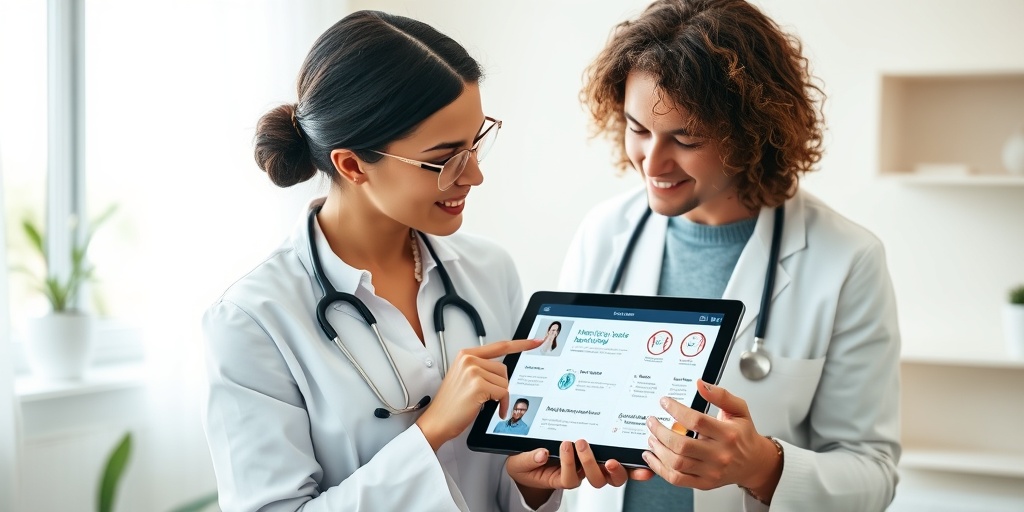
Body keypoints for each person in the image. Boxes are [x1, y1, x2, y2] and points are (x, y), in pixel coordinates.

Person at [201, 11, 631, 512]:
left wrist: (531, 485)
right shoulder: (253, 320)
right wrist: (430, 432)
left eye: (476, 144)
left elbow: (503, 481)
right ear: (353, 164)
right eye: (446, 158)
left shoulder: (489, 271)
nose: (473, 176)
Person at [557, 1, 901, 511]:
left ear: (751, 133)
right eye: (638, 129)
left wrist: (762, 466)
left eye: (686, 138)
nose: (651, 162)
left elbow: (873, 472)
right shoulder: (604, 232)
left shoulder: (846, 259)